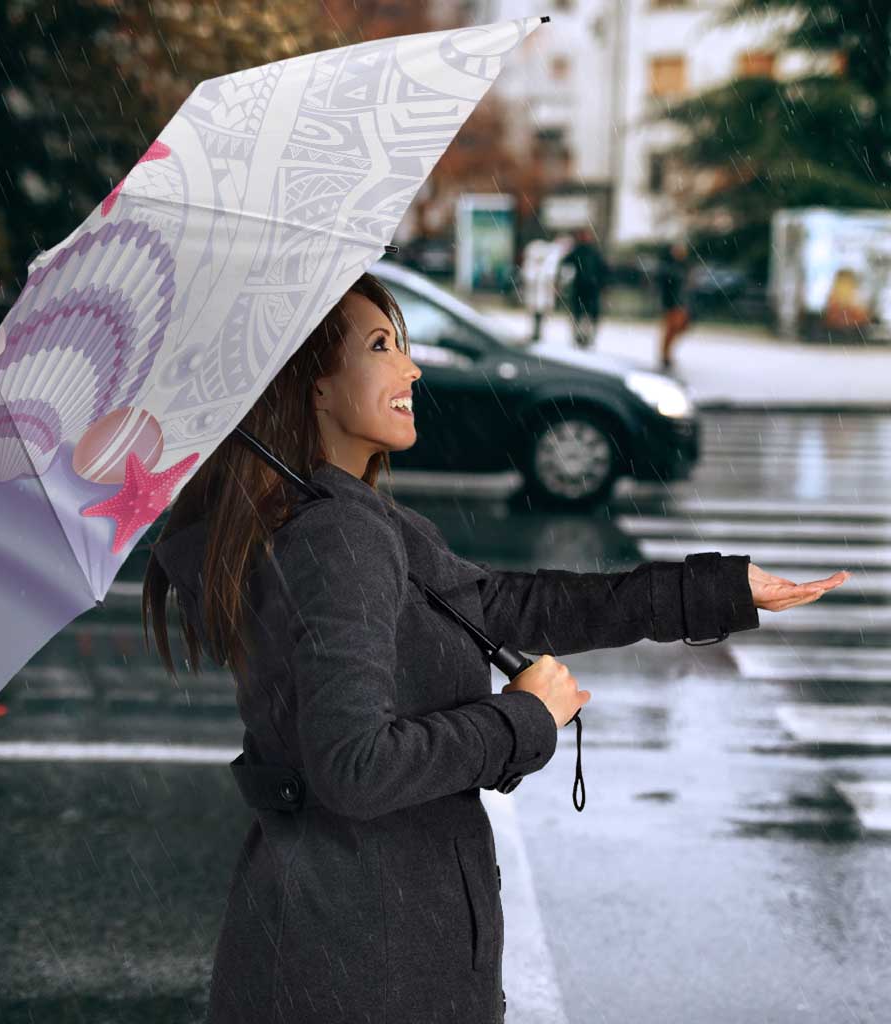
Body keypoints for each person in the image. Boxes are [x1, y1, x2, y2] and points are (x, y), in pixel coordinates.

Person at [142, 272, 849, 1024]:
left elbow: (508, 606)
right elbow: (355, 767)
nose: (412, 368)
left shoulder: (338, 519)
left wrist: (716, 590)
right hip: (366, 962)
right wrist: (522, 719)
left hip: (342, 941)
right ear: (313, 384)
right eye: (381, 347)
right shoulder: (338, 536)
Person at [559, 226, 609, 349]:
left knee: (586, 315)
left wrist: (602, 284)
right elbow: (565, 263)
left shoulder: (591, 252)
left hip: (589, 289)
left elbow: (603, 270)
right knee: (581, 314)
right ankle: (580, 337)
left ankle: (586, 337)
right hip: (583, 288)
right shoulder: (581, 251)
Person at [657, 239, 693, 370]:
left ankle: (666, 354)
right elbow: (666, 286)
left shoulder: (683, 266)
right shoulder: (669, 267)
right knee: (671, 329)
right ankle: (665, 355)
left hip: (681, 303)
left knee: (679, 327)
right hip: (672, 303)